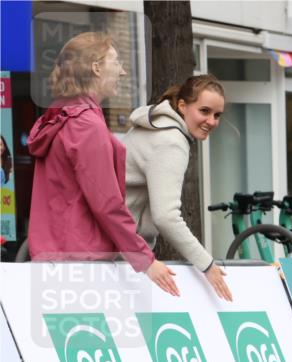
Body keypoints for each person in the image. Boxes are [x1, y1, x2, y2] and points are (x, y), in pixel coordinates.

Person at [27, 32, 178, 295]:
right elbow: (107, 203)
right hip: (83, 264)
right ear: (96, 68)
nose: (122, 72)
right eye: (116, 61)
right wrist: (145, 260)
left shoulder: (60, 117)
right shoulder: (86, 125)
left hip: (54, 260)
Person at [124, 74, 231, 301]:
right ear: (182, 105)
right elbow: (166, 216)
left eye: (217, 115)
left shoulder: (156, 125)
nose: (211, 121)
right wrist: (207, 265)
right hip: (120, 251)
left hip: (114, 246)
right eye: (204, 111)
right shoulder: (171, 141)